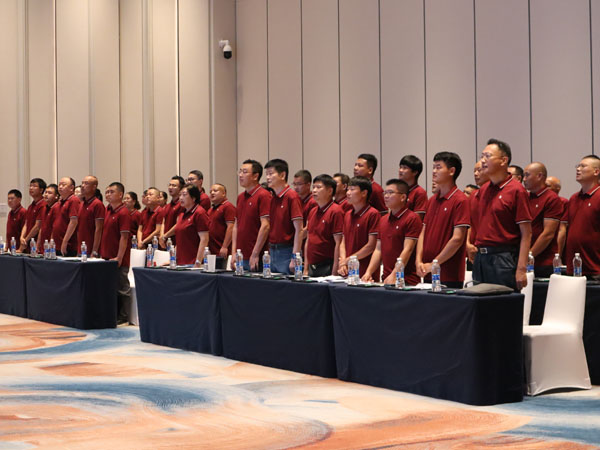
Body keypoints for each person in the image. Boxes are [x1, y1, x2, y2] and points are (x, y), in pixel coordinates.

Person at [473, 139, 532, 290]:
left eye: (488, 156)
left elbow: (526, 233)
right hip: (481, 258)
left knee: (502, 303)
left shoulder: (516, 190)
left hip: (503, 258)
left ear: (503, 160)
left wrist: (521, 269)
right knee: (478, 303)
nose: (483, 161)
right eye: (482, 156)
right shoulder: (483, 189)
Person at [416, 152, 470, 288]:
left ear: (452, 171)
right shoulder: (432, 200)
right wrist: (418, 261)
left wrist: (434, 263)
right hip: (427, 270)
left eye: (438, 167)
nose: (434, 171)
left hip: (448, 273)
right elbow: (423, 232)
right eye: (433, 167)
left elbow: (457, 239)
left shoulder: (460, 200)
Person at [362, 179, 421, 285]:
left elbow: (408, 249)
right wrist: (368, 272)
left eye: (390, 193)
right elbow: (378, 250)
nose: (386, 196)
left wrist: (394, 274)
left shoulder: (412, 218)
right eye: (385, 193)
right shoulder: (383, 219)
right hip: (386, 279)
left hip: (406, 280)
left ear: (403, 197)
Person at [522, 162, 563, 277]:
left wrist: (529, 255)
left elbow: (548, 234)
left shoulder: (551, 198)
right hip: (523, 258)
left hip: (543, 262)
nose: (524, 179)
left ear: (539, 176)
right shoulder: (525, 197)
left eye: (527, 175)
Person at [100, 182, 131, 325]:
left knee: (122, 287)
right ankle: (113, 314)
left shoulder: (123, 212)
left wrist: (119, 257)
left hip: (119, 257)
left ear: (120, 195)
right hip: (106, 256)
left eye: (111, 192)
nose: (108, 194)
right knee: (110, 287)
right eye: (107, 192)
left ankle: (124, 316)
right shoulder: (107, 210)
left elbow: (124, 237)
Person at [231, 159, 271, 271]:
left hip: (256, 256)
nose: (240, 175)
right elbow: (236, 226)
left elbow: (265, 226)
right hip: (240, 255)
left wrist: (255, 253)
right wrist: (233, 252)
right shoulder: (240, 197)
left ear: (255, 176)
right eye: (240, 171)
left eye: (244, 172)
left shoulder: (263, 195)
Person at [265, 159, 303, 273]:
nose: (267, 177)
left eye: (271, 174)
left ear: (282, 175)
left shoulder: (292, 197)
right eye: (266, 174)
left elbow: (299, 230)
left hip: (286, 251)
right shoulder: (273, 198)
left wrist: (295, 257)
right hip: (272, 250)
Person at [564, 155, 600, 277]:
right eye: (578, 166)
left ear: (596, 172)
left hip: (595, 268)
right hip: (574, 267)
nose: (578, 169)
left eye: (583, 166)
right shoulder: (573, 198)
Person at [338, 177, 380, 279]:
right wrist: (343, 261)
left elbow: (371, 245)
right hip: (348, 272)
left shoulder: (373, 214)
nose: (348, 193)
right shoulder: (348, 214)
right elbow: (343, 241)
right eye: (348, 189)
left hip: (365, 273)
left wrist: (348, 259)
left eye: (352, 189)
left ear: (364, 193)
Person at [304, 174, 344, 277]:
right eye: (313, 187)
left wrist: (334, 271)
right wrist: (305, 269)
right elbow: (308, 240)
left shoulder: (336, 211)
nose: (314, 190)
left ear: (330, 191)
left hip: (328, 265)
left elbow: (338, 243)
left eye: (318, 187)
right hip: (312, 266)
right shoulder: (312, 211)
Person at [167, 184, 209, 266]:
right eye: (180, 195)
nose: (181, 198)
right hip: (180, 262)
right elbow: (180, 239)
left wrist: (198, 261)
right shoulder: (182, 214)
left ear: (193, 198)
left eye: (184, 195)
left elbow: (204, 239)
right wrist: (173, 259)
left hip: (193, 263)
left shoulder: (199, 213)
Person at [77, 176, 105, 257]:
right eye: (82, 183)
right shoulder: (81, 204)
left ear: (94, 187)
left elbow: (99, 229)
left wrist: (95, 250)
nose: (83, 186)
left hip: (91, 250)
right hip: (81, 248)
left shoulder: (97, 204)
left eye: (86, 183)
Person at [207, 183, 236, 263]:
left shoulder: (228, 207)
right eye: (210, 191)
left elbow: (231, 227)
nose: (212, 193)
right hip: (212, 250)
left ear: (223, 193)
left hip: (223, 250)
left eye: (215, 191)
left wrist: (224, 246)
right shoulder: (210, 210)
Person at [52, 177, 81, 256]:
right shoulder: (59, 203)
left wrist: (65, 242)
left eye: (63, 185)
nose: (60, 187)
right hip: (57, 245)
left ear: (71, 188)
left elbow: (73, 222)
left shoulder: (73, 200)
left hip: (68, 246)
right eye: (59, 185)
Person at [19, 178, 47, 253]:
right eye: (30, 186)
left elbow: (38, 226)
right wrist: (22, 237)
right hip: (28, 244)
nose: (31, 188)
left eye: (34, 186)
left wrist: (26, 239)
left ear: (41, 190)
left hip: (37, 245)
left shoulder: (43, 205)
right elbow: (26, 224)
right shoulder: (31, 206)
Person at [398, 155, 428, 219]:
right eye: (400, 167)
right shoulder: (398, 190)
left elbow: (418, 218)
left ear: (415, 172)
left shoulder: (420, 192)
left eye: (404, 168)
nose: (400, 170)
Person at [546, 175, 569, 257]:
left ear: (557, 189)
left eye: (548, 186)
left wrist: (558, 255)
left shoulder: (563, 202)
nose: (544, 188)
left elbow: (561, 229)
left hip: (553, 244)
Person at [160, 176, 185, 247]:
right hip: (166, 242)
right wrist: (161, 236)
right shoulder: (167, 206)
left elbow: (179, 224)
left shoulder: (182, 205)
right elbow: (163, 222)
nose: (170, 187)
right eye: (169, 185)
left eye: (174, 185)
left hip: (177, 242)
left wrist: (165, 236)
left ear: (180, 189)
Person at [293, 169, 318, 234]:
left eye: (299, 184)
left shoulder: (313, 202)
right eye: (294, 184)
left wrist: (298, 237)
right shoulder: (296, 199)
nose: (295, 187)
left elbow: (309, 227)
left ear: (308, 185)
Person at [37, 183, 59, 252]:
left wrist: (51, 244)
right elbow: (42, 227)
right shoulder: (44, 208)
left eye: (49, 193)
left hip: (52, 247)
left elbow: (55, 229)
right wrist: (38, 244)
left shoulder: (57, 208)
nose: (46, 195)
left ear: (56, 196)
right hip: (44, 245)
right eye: (45, 192)